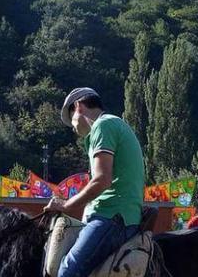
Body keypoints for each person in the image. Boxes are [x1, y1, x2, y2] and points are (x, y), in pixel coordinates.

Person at [44, 87, 144, 277]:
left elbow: (102, 180)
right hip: (121, 215)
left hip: (112, 216)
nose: (73, 128)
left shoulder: (102, 126)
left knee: (67, 272)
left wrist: (65, 205)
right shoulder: (114, 124)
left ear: (78, 106)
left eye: (71, 119)